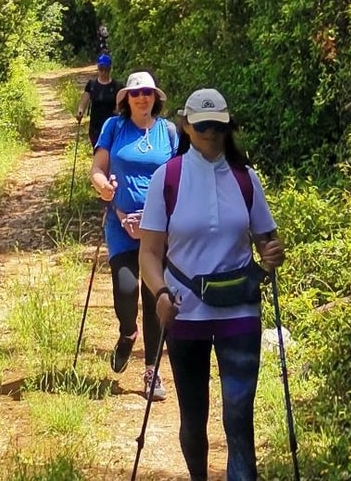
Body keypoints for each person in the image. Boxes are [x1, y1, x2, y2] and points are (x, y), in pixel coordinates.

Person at [137, 88, 285, 481]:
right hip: (185, 311)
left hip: (240, 309)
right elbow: (149, 253)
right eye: (204, 127)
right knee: (194, 416)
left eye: (219, 126)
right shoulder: (166, 179)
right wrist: (161, 293)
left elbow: (267, 240)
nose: (212, 134)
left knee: (239, 416)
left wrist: (272, 255)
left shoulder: (245, 178)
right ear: (186, 126)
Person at [89, 71, 179, 400]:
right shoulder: (114, 128)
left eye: (148, 92)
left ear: (156, 97)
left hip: (158, 231)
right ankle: (128, 333)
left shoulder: (168, 133)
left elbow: (180, 176)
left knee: (156, 298)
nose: (142, 97)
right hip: (121, 224)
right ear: (126, 97)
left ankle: (152, 372)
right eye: (136, 92)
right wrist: (103, 188)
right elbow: (98, 169)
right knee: (125, 292)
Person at [76, 54, 120, 147]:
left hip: (112, 126)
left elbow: (120, 104)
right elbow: (85, 100)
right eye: (101, 68)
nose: (104, 72)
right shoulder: (91, 85)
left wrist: (119, 110)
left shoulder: (116, 86)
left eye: (106, 69)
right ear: (98, 68)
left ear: (110, 69)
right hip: (95, 126)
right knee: (97, 150)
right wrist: (80, 111)